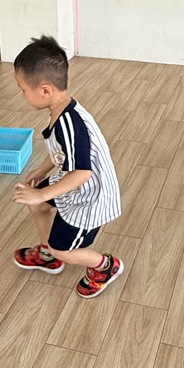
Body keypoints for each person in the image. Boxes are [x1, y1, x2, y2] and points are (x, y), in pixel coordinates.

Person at [12, 35, 123, 299]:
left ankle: (104, 266)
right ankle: (47, 253)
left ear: (45, 90)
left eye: (23, 89)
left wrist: (41, 192)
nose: (22, 94)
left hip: (91, 196)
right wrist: (43, 170)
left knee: (63, 248)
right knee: (37, 204)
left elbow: (82, 172)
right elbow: (62, 152)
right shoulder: (59, 109)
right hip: (74, 181)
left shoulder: (70, 123)